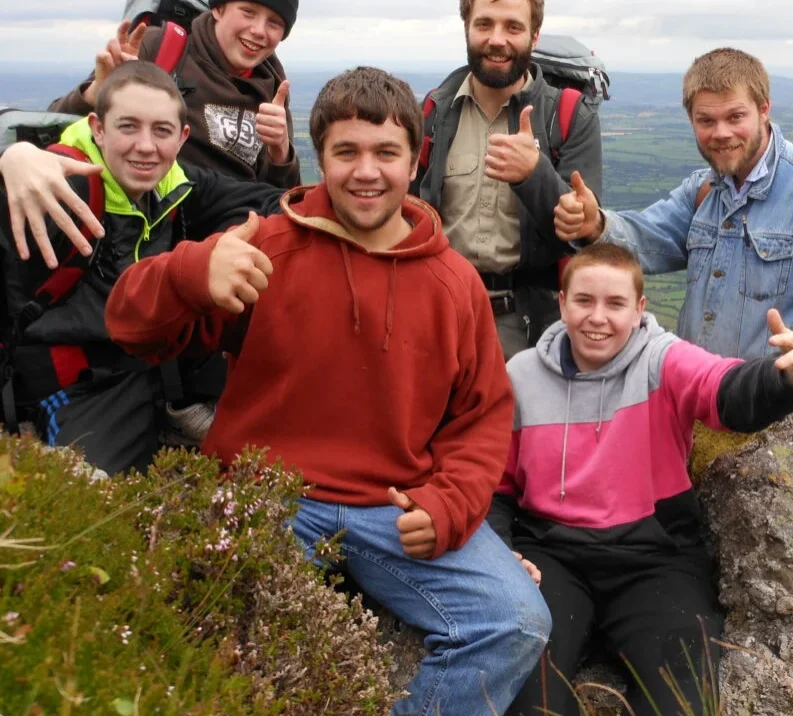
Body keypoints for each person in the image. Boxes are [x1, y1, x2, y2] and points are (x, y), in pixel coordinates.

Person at [103, 66, 552, 714]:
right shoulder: (265, 247)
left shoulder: (453, 283)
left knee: (516, 621)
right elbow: (130, 326)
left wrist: (450, 504)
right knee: (197, 619)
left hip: (392, 506)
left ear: (415, 157)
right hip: (267, 494)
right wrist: (189, 275)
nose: (366, 171)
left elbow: (481, 416)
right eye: (346, 152)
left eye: (385, 153)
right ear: (320, 157)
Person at [490, 242, 793, 715]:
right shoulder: (521, 375)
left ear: (639, 310)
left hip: (654, 558)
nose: (598, 317)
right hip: (550, 554)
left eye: (615, 304)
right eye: (584, 301)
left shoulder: (661, 360)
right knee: (526, 693)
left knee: (685, 695)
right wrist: (499, 549)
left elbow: (725, 391)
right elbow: (498, 485)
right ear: (562, 302)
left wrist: (783, 378)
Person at [0, 60, 283, 473]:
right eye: (128, 127)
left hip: (144, 364)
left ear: (182, 136)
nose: (146, 146)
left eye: (162, 131)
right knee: (100, 504)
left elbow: (270, 202)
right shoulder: (56, 188)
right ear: (98, 128)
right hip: (76, 383)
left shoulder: (175, 184)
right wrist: (13, 157)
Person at [552, 47, 793, 360]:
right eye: (706, 120)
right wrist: (594, 225)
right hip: (697, 397)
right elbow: (645, 238)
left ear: (764, 108)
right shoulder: (703, 190)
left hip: (778, 400)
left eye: (735, 117)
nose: (721, 133)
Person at [413, 0, 602, 358]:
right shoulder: (435, 113)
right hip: (437, 314)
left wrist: (534, 175)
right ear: (466, 28)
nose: (496, 39)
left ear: (534, 35)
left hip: (524, 325)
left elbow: (582, 235)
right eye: (484, 24)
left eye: (512, 28)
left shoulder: (569, 115)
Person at [49, 0, 301, 189]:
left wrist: (280, 153)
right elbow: (54, 126)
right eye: (248, 12)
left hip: (232, 233)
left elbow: (281, 199)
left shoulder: (273, 88)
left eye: (274, 23)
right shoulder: (160, 49)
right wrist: (97, 93)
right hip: (153, 227)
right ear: (218, 9)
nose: (259, 30)